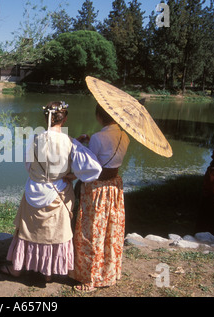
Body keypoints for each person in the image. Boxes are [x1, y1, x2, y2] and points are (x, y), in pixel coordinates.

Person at [1, 101, 102, 282]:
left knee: (28, 231)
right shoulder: (70, 143)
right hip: (59, 192)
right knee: (53, 233)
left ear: (45, 117)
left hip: (34, 190)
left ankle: (17, 269)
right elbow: (94, 169)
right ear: (65, 119)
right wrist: (72, 175)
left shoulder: (35, 139)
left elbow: (28, 165)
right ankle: (47, 272)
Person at [70, 104, 130, 292]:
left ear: (98, 116)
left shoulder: (98, 137)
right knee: (110, 231)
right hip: (114, 187)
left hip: (97, 189)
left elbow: (91, 166)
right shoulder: (125, 136)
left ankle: (90, 278)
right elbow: (107, 158)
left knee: (91, 232)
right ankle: (109, 272)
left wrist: (79, 145)